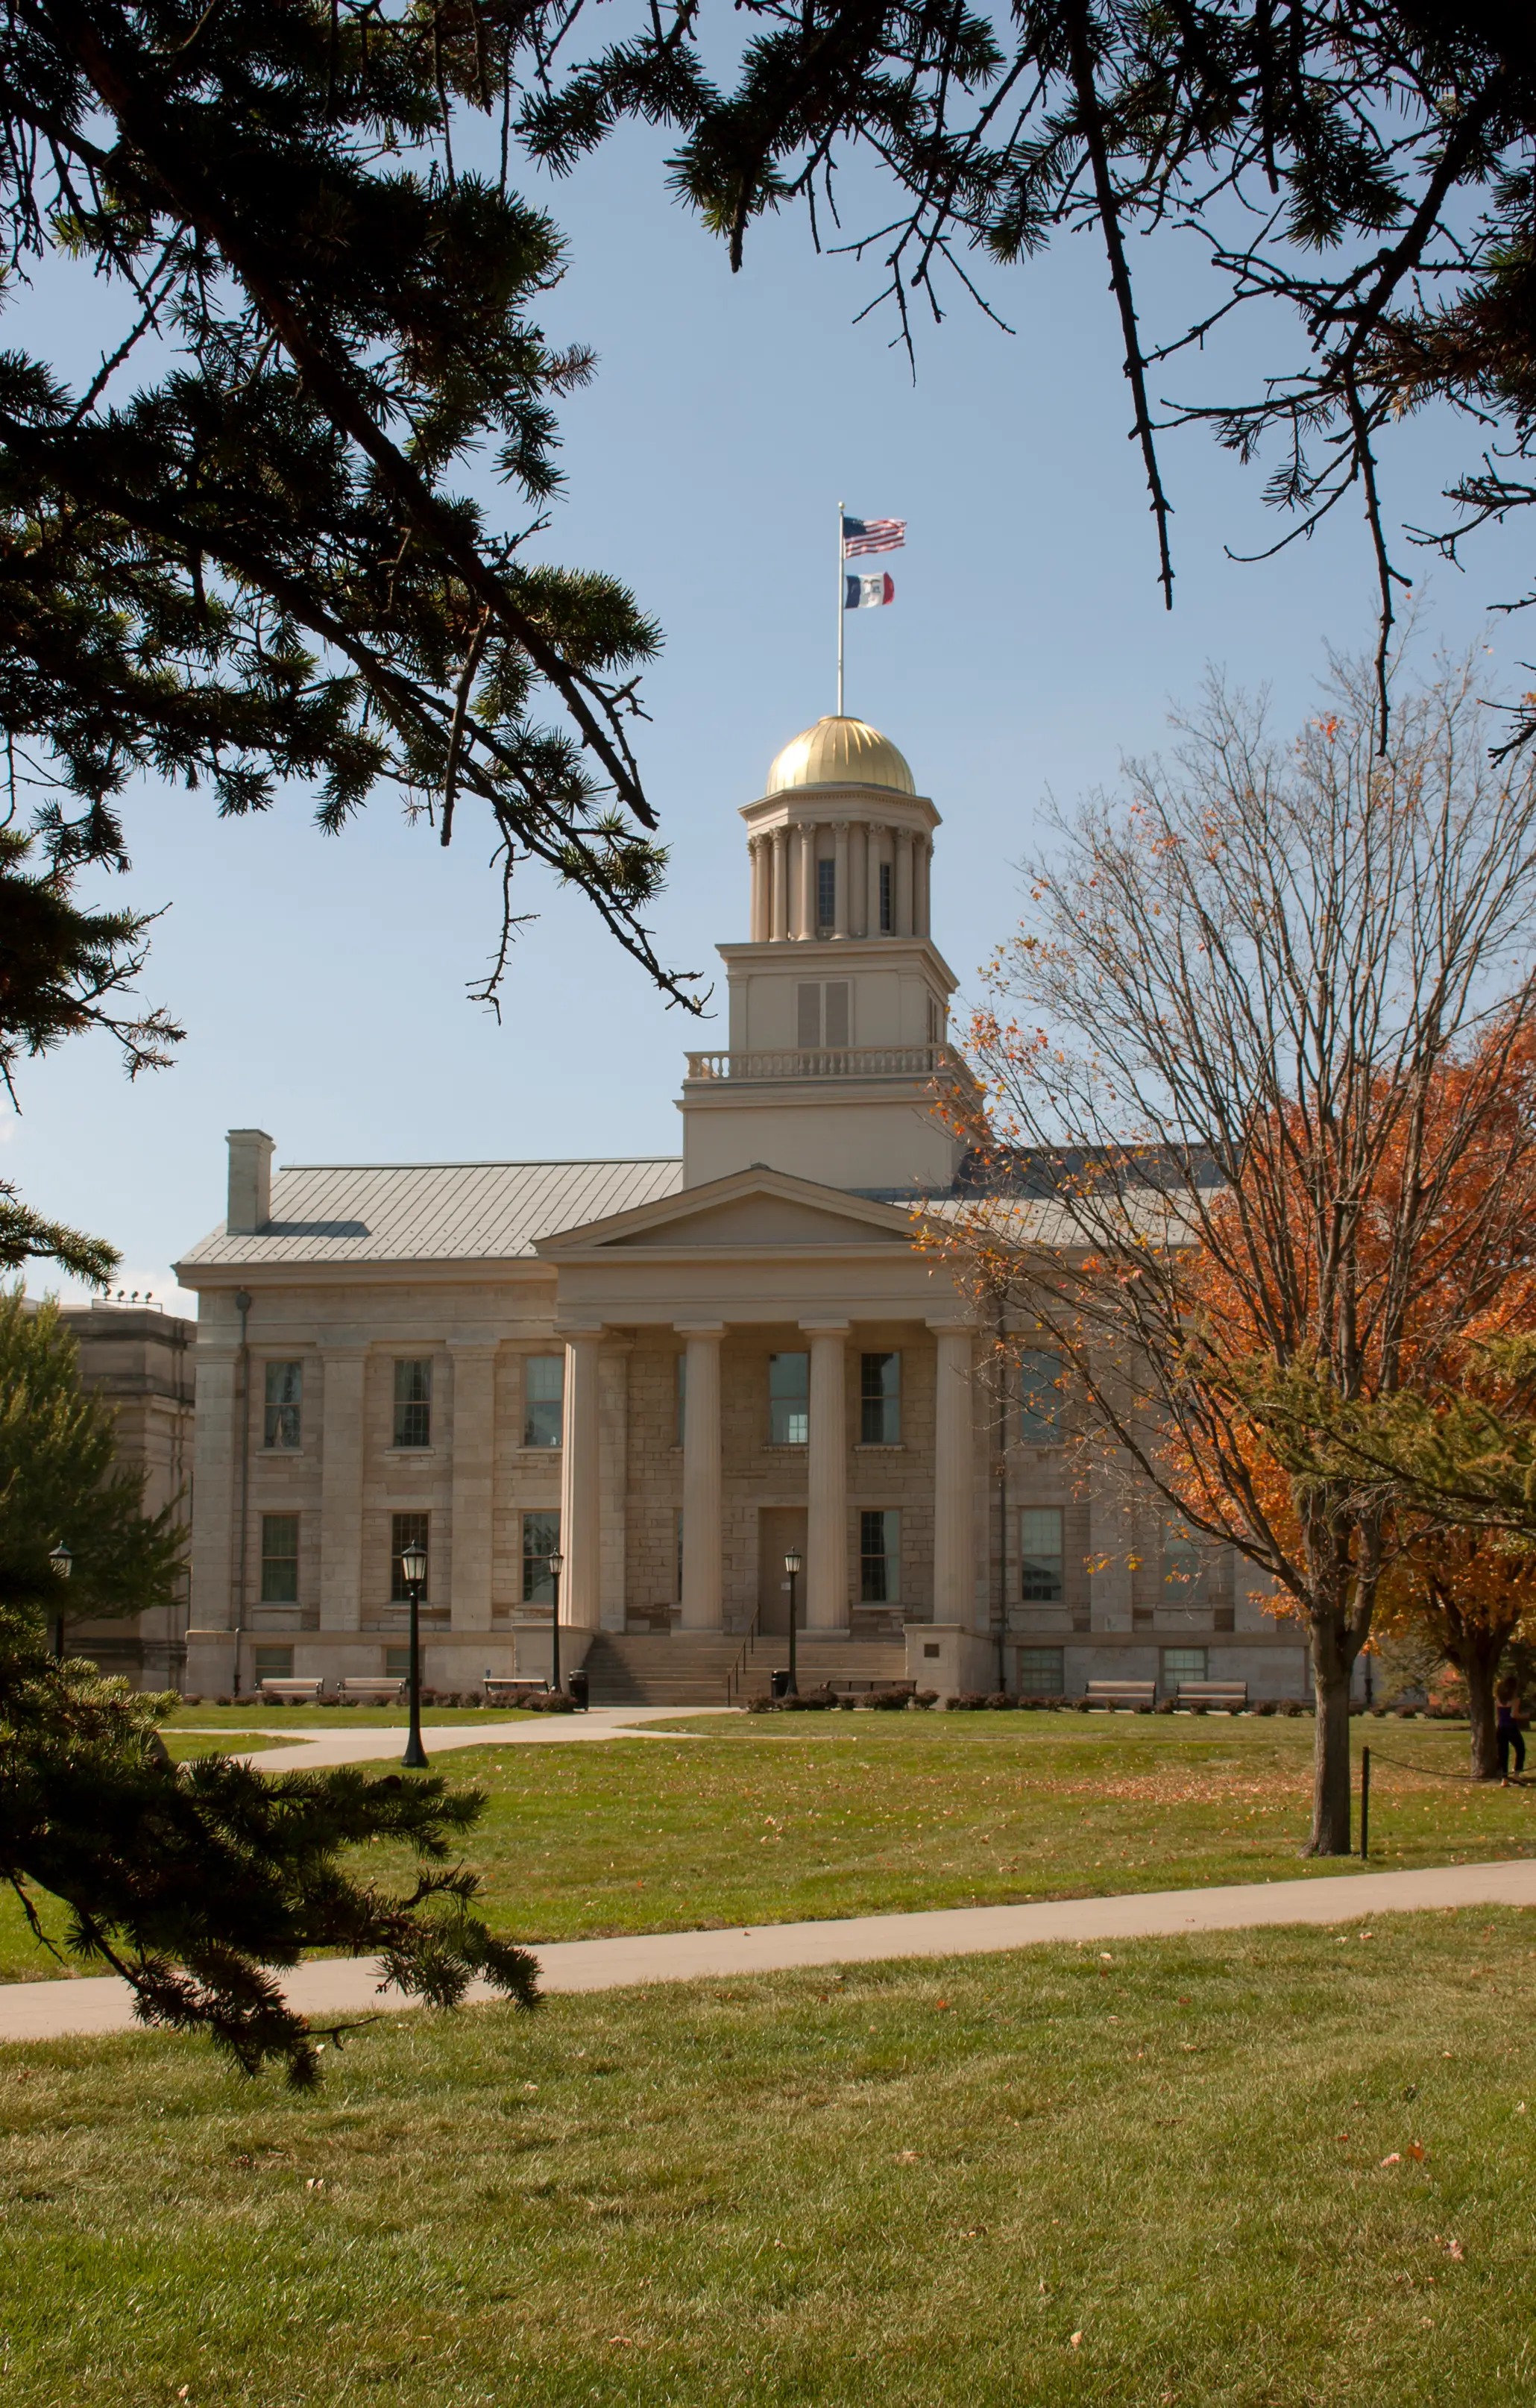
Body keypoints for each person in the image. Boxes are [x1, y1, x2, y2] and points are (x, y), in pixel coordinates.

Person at [1496, 1676, 1526, 1784]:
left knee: (1503, 1753)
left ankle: (1504, 1779)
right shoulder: (1515, 1700)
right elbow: (1514, 1714)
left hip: (1501, 1728)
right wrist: (1525, 1716)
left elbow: (1498, 1716)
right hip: (1511, 1728)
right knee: (1520, 1749)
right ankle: (1517, 1774)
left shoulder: (1498, 1700)